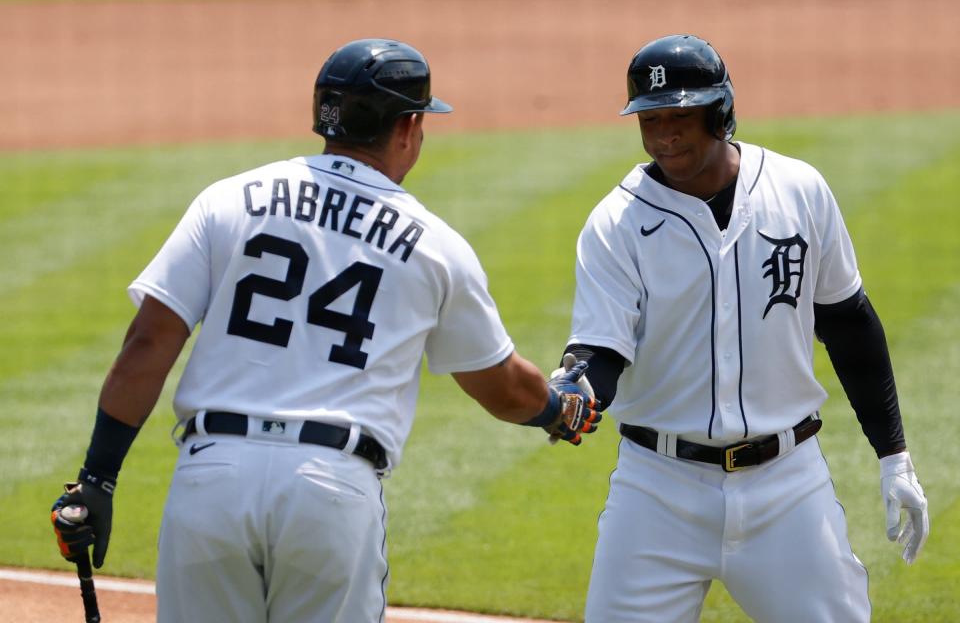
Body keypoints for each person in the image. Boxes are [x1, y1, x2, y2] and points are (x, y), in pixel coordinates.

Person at [49, 38, 600, 623]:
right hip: (329, 490)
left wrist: (98, 480)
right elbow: (502, 385)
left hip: (211, 480)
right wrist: (557, 410)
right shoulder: (434, 246)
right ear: (410, 126)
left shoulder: (228, 200)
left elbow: (148, 344)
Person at [560, 34, 930, 622]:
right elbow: (600, 350)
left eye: (681, 114)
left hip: (788, 487)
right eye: (650, 119)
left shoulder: (798, 190)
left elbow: (849, 324)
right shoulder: (616, 223)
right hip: (657, 492)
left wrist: (895, 458)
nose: (665, 134)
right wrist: (576, 391)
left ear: (722, 111)